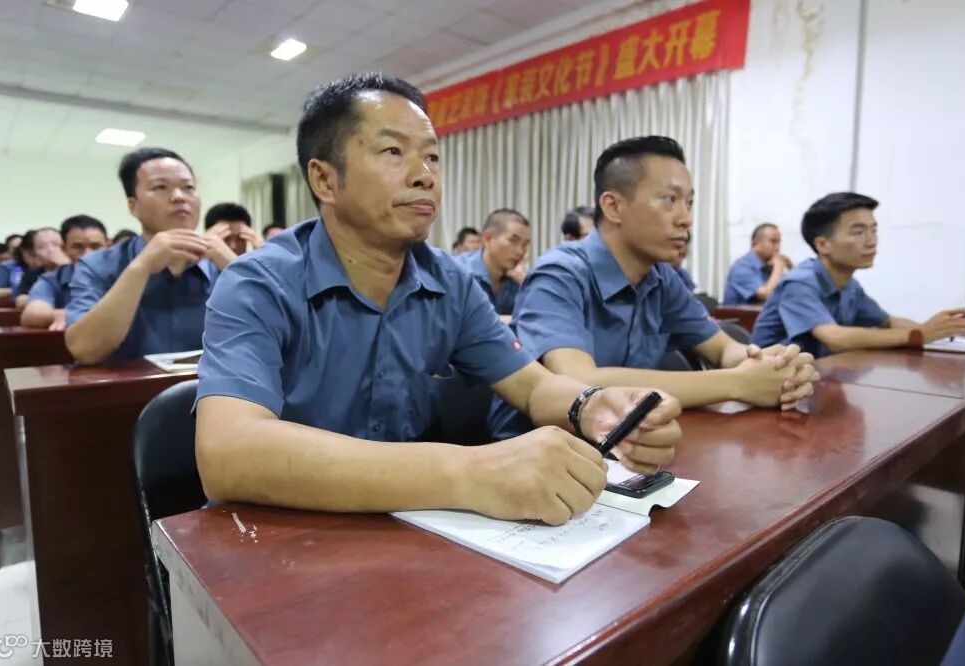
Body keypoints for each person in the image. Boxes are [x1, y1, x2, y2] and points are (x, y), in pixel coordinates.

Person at [194, 73, 682, 527]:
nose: (424, 175)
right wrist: (469, 472)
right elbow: (228, 452)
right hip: (276, 534)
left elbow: (533, 388)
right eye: (393, 151)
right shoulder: (259, 282)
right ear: (325, 180)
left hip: (402, 529)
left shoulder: (449, 282)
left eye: (432, 157)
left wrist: (590, 406)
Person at [488, 136, 818, 440]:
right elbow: (579, 381)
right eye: (669, 199)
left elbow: (722, 349)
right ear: (613, 206)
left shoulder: (661, 277)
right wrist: (738, 383)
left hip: (628, 441)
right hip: (542, 451)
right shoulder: (560, 273)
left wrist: (770, 365)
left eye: (689, 203)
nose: (686, 219)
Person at [65, 147, 237, 364]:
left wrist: (235, 266)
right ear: (133, 206)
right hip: (129, 386)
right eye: (160, 187)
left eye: (188, 187)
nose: (179, 197)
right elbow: (84, 349)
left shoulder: (221, 263)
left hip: (213, 385)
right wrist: (141, 267)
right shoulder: (97, 266)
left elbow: (275, 339)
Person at [752, 192, 965, 357]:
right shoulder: (800, 283)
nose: (872, 240)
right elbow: (834, 337)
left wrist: (943, 329)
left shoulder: (850, 286)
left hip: (818, 376)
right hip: (770, 385)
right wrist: (920, 334)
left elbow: (889, 322)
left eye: (873, 230)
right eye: (858, 232)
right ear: (823, 244)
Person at [22, 216, 109, 330]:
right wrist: (64, 315)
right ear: (64, 249)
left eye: (95, 246)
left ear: (108, 247)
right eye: (78, 247)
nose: (87, 254)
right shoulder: (52, 279)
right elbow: (32, 314)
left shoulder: (123, 273)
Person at [453, 209, 530, 318]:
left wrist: (523, 281)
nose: (520, 251)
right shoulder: (457, 271)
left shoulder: (517, 276)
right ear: (487, 238)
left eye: (525, 244)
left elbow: (541, 318)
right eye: (513, 241)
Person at [723, 223, 793, 305]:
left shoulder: (770, 266)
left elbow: (792, 292)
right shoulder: (741, 267)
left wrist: (791, 267)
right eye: (773, 242)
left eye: (778, 243)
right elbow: (766, 295)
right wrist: (778, 266)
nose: (777, 248)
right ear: (755, 244)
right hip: (742, 313)